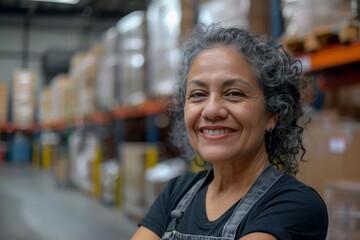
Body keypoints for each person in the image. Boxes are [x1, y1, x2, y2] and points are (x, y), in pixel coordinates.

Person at [131, 24, 328, 240]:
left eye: (234, 93)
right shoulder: (176, 193)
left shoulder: (294, 205)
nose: (212, 110)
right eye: (198, 94)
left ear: (272, 113)